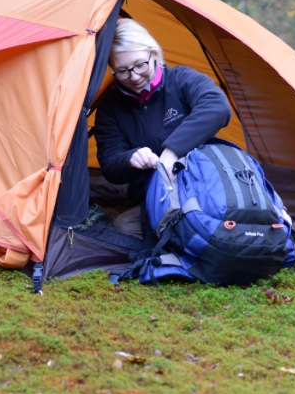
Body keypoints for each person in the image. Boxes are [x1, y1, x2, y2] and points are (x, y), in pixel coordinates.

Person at [94, 18, 231, 239]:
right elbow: (110, 163)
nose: (134, 76)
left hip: (205, 186)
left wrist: (171, 152)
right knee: (124, 226)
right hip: (156, 197)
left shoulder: (182, 80)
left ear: (153, 54)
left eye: (140, 64)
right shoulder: (110, 107)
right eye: (122, 71)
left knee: (222, 213)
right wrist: (131, 158)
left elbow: (217, 107)